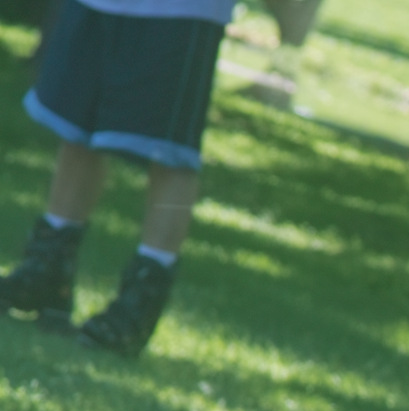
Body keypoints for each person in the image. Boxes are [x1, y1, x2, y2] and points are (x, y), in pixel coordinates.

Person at [0, 0, 278, 354]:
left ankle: (140, 301)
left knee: (171, 149)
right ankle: (46, 270)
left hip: (181, 12)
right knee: (77, 125)